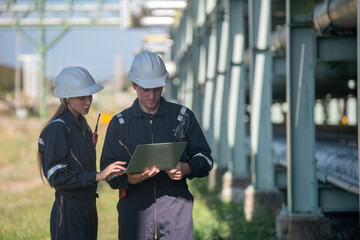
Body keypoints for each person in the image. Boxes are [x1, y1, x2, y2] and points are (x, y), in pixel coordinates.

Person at [100, 51, 213, 240]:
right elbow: (108, 170)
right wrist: (128, 179)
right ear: (134, 84)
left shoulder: (183, 117)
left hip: (176, 212)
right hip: (134, 212)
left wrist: (186, 168)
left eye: (157, 88)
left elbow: (206, 159)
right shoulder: (119, 124)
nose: (152, 95)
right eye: (146, 89)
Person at [37, 66, 126, 240]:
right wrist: (98, 176)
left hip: (88, 206)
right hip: (70, 211)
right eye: (81, 98)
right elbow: (56, 177)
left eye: (90, 96)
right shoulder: (58, 129)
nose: (88, 102)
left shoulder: (82, 126)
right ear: (66, 98)